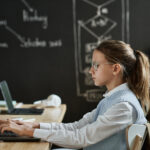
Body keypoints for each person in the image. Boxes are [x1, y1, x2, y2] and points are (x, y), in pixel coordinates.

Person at [0, 40, 149, 150]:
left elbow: (81, 138)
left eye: (96, 65)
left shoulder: (124, 106)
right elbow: (77, 127)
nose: (91, 70)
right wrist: (34, 125)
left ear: (115, 69)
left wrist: (29, 132)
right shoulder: (113, 99)